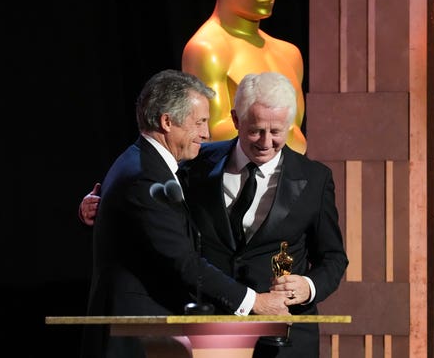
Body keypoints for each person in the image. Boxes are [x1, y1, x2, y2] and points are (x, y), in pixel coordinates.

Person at [78, 0, 308, 224]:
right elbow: (211, 134)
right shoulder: (207, 48)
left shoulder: (288, 54)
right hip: (228, 196)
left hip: (282, 191)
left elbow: (297, 136)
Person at [80, 69, 291, 358]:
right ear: (167, 121)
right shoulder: (144, 176)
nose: (207, 133)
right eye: (200, 122)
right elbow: (184, 263)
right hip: (133, 336)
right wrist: (254, 302)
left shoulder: (148, 163)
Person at [182, 72, 348, 357]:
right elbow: (152, 203)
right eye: (256, 130)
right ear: (236, 120)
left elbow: (333, 258)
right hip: (213, 328)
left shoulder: (315, 179)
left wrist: (307, 286)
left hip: (284, 337)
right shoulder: (195, 164)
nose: (266, 142)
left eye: (276, 132)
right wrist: (97, 203)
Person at [182, 0, 306, 155]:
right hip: (238, 178)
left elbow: (295, 132)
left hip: (291, 176)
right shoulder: (207, 49)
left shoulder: (289, 54)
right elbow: (214, 130)